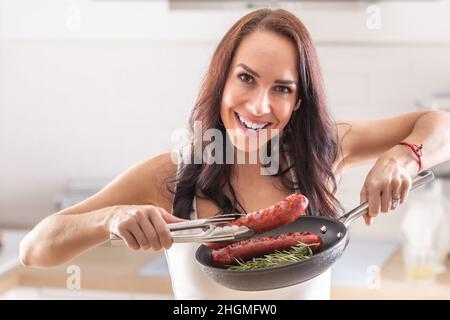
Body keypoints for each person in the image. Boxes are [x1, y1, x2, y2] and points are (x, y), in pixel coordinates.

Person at [20, 8, 450, 299]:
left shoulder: (323, 151)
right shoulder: (169, 177)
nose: (260, 105)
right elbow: (35, 249)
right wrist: (110, 219)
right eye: (246, 78)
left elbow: (439, 122)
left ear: (298, 102)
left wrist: (401, 158)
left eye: (281, 88)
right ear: (221, 81)